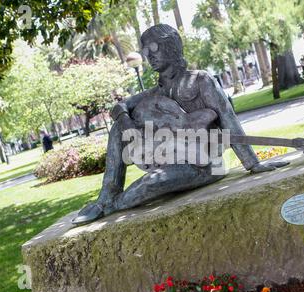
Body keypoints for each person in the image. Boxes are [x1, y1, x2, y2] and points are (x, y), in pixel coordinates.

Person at [72, 24, 289, 226]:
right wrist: (125, 120)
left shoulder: (201, 80)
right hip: (170, 162)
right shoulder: (155, 93)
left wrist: (252, 164)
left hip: (205, 165)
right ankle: (106, 197)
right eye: (145, 51)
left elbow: (227, 117)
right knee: (120, 129)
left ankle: (112, 205)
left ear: (171, 47)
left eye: (153, 48)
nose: (148, 55)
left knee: (149, 184)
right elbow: (120, 106)